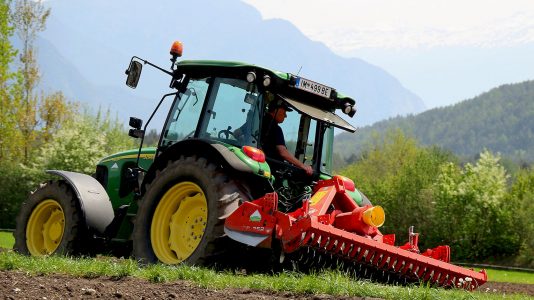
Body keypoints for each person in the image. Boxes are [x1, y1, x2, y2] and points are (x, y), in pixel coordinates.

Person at [261, 99, 313, 176]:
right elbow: (283, 153)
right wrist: (303, 166)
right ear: (276, 110)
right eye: (284, 111)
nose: (285, 116)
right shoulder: (275, 128)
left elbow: (237, 133)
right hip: (269, 169)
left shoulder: (258, 121)